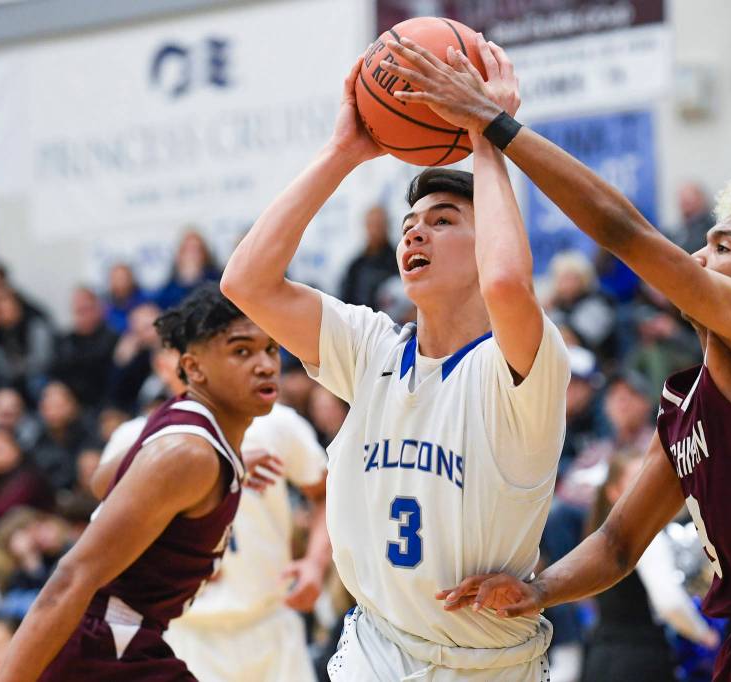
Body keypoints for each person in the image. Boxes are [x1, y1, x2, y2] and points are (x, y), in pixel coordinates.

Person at [388, 34, 731, 680]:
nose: (696, 257)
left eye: (721, 247)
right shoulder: (685, 404)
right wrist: (538, 589)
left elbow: (624, 232)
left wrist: (494, 124)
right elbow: (618, 542)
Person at [221, 48, 568, 680]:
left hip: (489, 665)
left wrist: (486, 132)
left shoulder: (521, 368)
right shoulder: (370, 346)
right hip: (374, 647)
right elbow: (246, 281)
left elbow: (507, 284)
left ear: (488, 239)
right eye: (410, 223)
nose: (414, 233)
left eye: (443, 220)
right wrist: (342, 153)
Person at [0, 285, 280, 680]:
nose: (265, 365)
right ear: (194, 368)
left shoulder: (184, 423)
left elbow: (101, 481)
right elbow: (70, 577)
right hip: (100, 644)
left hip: (117, 639)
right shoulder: (189, 453)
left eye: (271, 349)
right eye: (242, 351)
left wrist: (215, 468)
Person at [94, 345, 332, 682]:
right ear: (163, 365)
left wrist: (315, 563)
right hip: (182, 633)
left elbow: (324, 493)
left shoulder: (275, 423)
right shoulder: (133, 438)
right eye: (183, 354)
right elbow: (106, 541)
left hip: (271, 626)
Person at [582, 452, 719, 682]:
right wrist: (704, 635)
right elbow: (670, 602)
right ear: (614, 492)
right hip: (641, 662)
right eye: (637, 481)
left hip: (600, 660)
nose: (649, 488)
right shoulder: (643, 537)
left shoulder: (598, 541)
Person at [50, 287, 119, 407]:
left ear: (99, 309)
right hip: (70, 401)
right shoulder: (66, 341)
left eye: (86, 309)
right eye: (78, 311)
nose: (82, 316)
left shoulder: (113, 338)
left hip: (102, 401)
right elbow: (55, 371)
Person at [339, 205, 400, 308]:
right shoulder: (356, 266)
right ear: (366, 227)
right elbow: (344, 301)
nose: (375, 230)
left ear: (387, 226)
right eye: (372, 225)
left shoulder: (399, 261)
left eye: (379, 225)